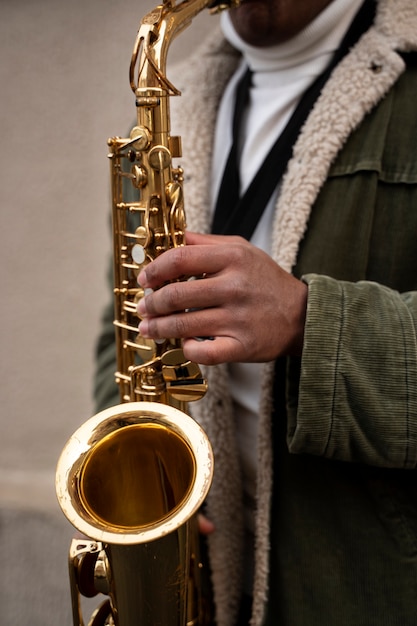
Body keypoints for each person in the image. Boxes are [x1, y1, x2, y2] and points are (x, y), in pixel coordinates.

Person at [94, 0, 417, 624]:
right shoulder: (166, 109)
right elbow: (125, 331)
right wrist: (137, 476)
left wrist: (308, 319)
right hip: (205, 572)